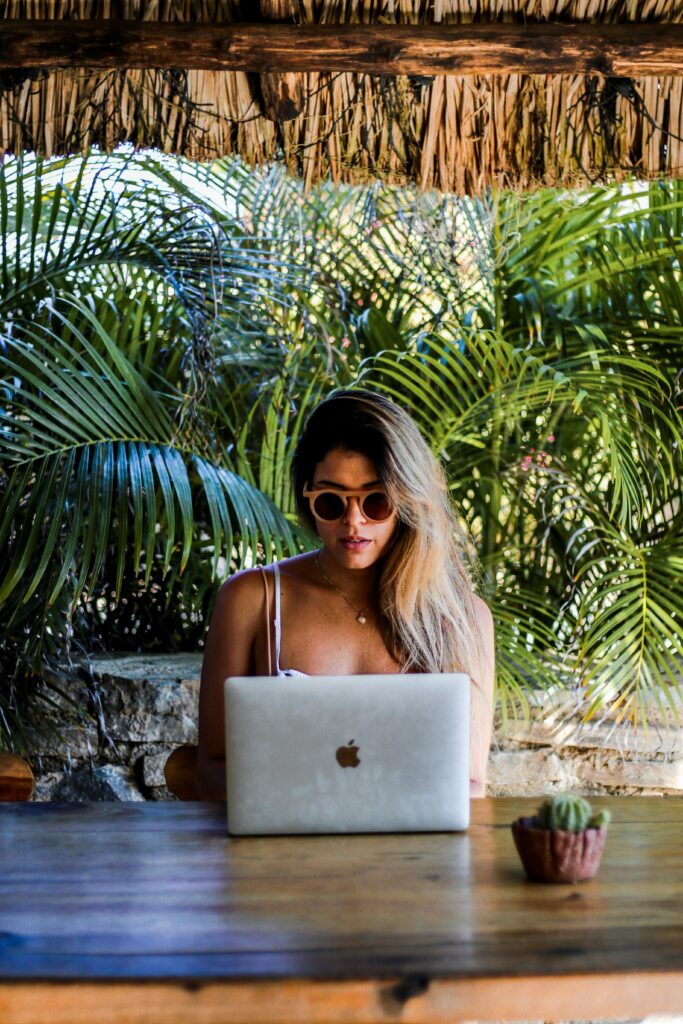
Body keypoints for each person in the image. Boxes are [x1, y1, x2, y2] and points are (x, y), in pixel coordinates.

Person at [197, 389, 495, 801]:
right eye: (332, 502)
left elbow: (471, 782)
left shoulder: (463, 619)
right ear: (308, 497)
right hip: (285, 854)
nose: (354, 521)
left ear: (407, 501)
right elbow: (212, 768)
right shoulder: (252, 599)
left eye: (376, 501)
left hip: (416, 858)